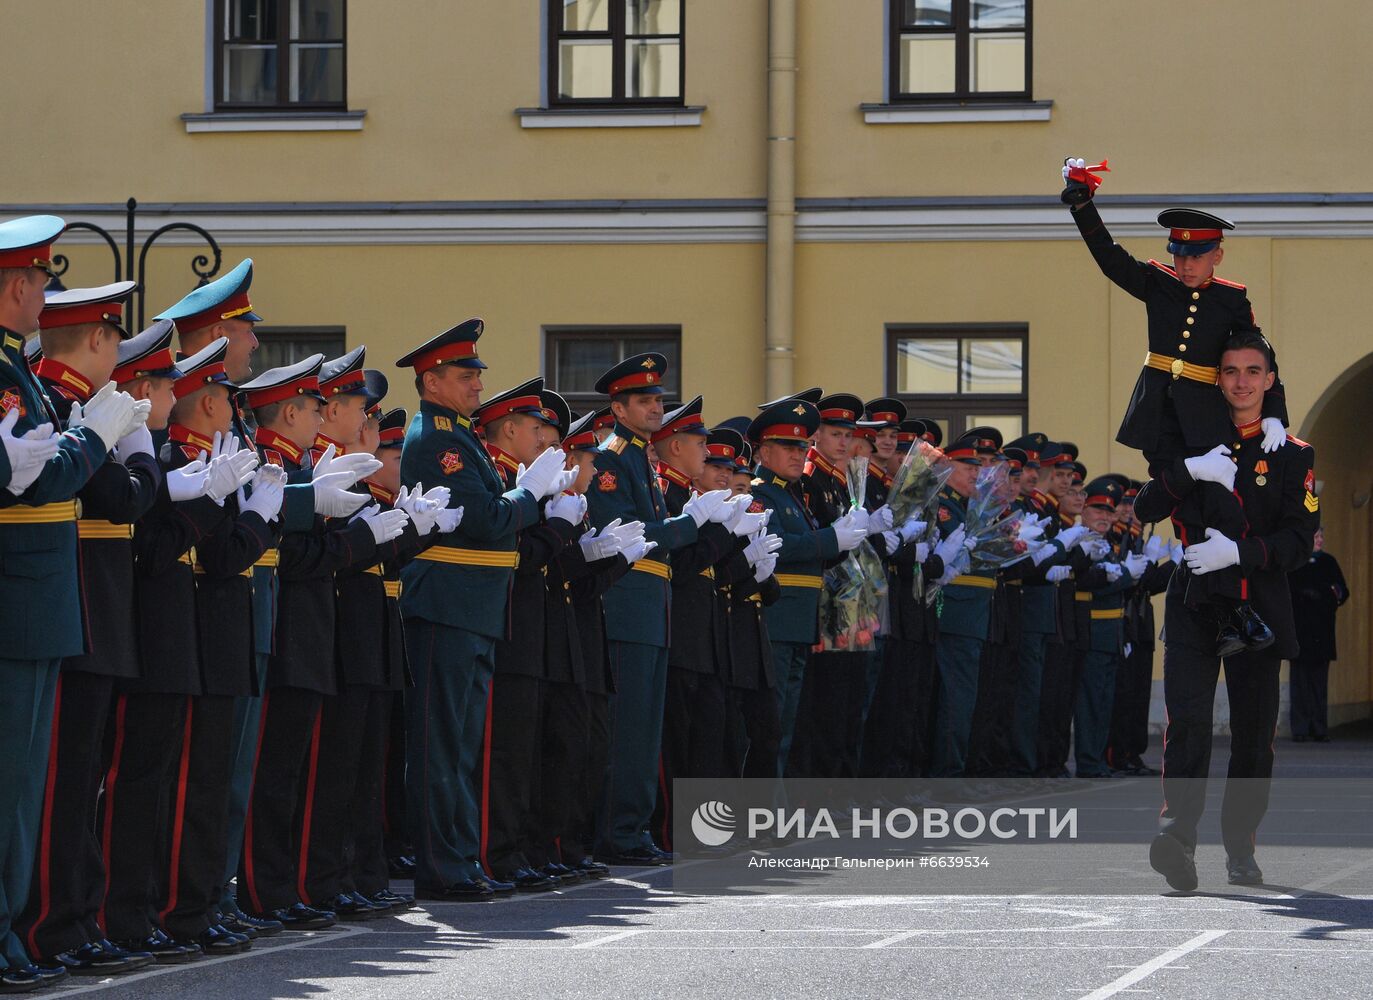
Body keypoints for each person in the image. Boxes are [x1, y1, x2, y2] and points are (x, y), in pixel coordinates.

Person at [1063, 158, 1286, 656]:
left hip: (1207, 418)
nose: (1186, 265)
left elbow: (1258, 355)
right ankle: (1226, 613)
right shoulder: (1159, 283)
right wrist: (1083, 205)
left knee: (1224, 510)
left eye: (1197, 256)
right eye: (1179, 255)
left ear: (1217, 256)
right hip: (1160, 414)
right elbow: (1110, 258)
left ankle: (1229, 609)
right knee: (1183, 509)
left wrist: (1274, 410)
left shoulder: (1232, 299)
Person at [395, 321, 571, 900]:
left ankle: (460, 858)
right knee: (441, 743)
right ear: (432, 381)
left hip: (472, 607)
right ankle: (442, 865)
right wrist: (530, 494)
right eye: (465, 375)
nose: (476, 385)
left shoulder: (461, 436)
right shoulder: (439, 441)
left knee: (462, 744)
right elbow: (487, 519)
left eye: (475, 374)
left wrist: (524, 495)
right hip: (449, 604)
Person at [1135, 331, 1317, 890]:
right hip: (1196, 599)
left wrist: (1241, 551)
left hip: (1256, 604)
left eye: (1252, 371)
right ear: (1217, 378)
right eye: (1231, 370)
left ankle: (1241, 847)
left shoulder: (1292, 452)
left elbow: (1299, 539)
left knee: (1252, 733)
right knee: (1185, 722)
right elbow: (1146, 506)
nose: (1240, 381)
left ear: (1269, 381)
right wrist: (1189, 471)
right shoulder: (1193, 441)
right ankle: (1177, 838)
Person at [586, 354, 732, 866]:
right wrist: (690, 522)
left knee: (644, 730)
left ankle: (632, 828)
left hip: (652, 607)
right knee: (627, 728)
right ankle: (617, 832)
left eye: (658, 399)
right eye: (644, 400)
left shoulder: (639, 458)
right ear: (618, 408)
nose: (655, 407)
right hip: (627, 604)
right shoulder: (609, 459)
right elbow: (627, 535)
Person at [745, 396, 867, 778]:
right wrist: (832, 539)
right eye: (787, 446)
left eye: (802, 446)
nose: (799, 454)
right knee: (769, 725)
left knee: (785, 723)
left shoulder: (793, 495)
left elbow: (814, 551)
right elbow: (780, 545)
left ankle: (773, 808)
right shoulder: (760, 494)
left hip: (797, 623)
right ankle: (761, 813)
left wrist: (841, 539)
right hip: (776, 621)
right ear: (764, 451)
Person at [1288, 527, 1347, 741]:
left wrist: (1328, 595)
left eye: (1322, 536)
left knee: (1319, 686)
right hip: (1301, 635)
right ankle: (1301, 729)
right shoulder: (1295, 563)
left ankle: (1319, 728)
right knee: (1299, 685)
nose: (1320, 540)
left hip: (1322, 635)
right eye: (1316, 537)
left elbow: (1342, 591)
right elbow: (1288, 593)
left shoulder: (1329, 563)